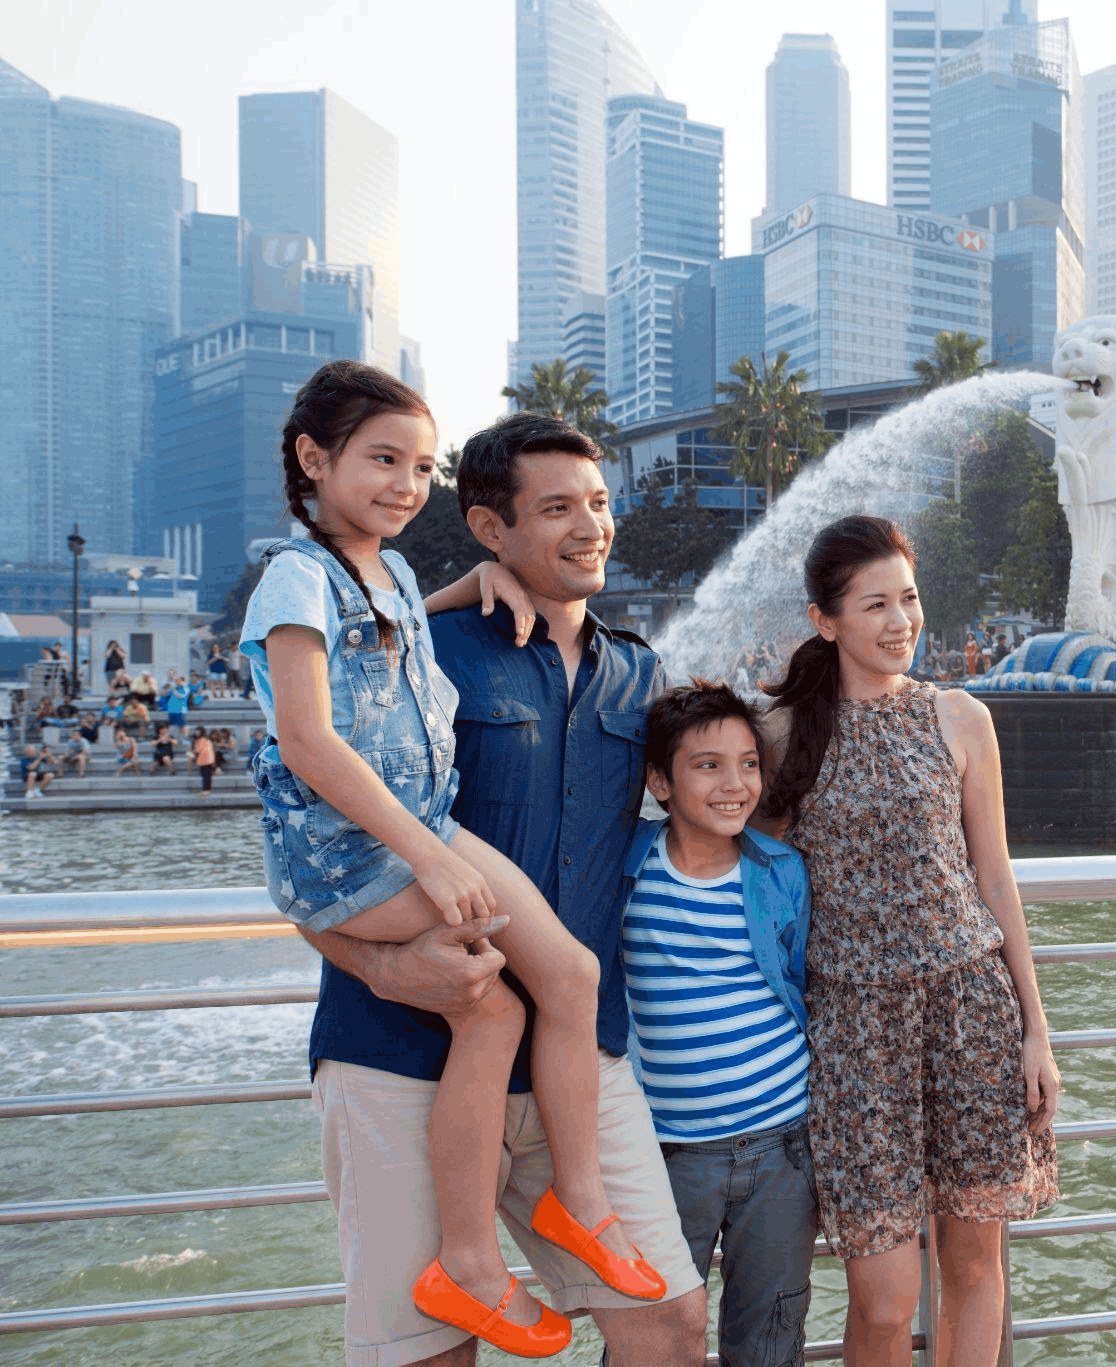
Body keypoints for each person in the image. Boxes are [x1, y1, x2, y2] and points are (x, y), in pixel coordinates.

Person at [243, 364, 680, 1361]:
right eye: (558, 507)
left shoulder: (634, 669)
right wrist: (390, 953)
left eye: (600, 503)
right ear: (491, 527)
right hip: (399, 1043)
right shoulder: (401, 626)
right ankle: (477, 1261)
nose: (591, 525)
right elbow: (299, 805)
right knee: (429, 1351)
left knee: (668, 1322)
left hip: (576, 1061)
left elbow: (716, 796)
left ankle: (575, 1210)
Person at [759, 515, 1059, 1365]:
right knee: (885, 1297)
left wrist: (1036, 1029)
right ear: (826, 619)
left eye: (910, 598)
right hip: (855, 1031)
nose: (900, 622)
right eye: (874, 605)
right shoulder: (781, 738)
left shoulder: (962, 718)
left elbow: (995, 881)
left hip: (972, 1011)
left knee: (973, 1262)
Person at [620, 683, 818, 1367]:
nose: (735, 784)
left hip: (781, 1147)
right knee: (650, 1336)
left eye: (748, 763)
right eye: (707, 765)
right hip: (667, 1155)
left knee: (769, 1335)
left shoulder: (782, 871)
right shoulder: (626, 871)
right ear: (659, 781)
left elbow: (800, 982)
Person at [192, 728, 218, 794]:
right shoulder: (208, 739)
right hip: (210, 759)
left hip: (204, 760)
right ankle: (207, 789)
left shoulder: (198, 740)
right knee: (208, 775)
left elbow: (197, 750)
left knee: (205, 776)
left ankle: (206, 790)